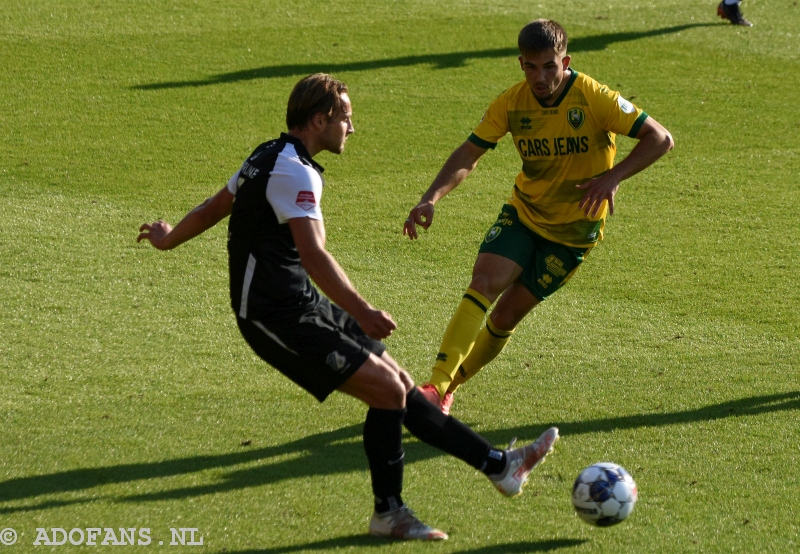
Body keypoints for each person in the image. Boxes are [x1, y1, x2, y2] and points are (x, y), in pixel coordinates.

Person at [137, 73, 558, 542]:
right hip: (274, 317)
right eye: (345, 118)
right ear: (320, 119)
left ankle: (499, 466)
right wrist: (361, 310)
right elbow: (314, 254)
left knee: (399, 385)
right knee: (386, 391)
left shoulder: (267, 154)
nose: (351, 129)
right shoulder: (294, 170)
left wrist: (169, 237)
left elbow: (215, 207)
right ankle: (389, 513)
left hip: (299, 303)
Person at [403, 20, 674, 415]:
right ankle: (435, 385)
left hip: (573, 233)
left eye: (550, 66)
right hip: (525, 214)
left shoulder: (594, 97)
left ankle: (450, 387)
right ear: (521, 64)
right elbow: (469, 154)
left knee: (506, 315)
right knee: (483, 281)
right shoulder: (512, 103)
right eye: (531, 67)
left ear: (565, 61)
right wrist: (431, 198)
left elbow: (660, 138)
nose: (541, 77)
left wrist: (612, 178)